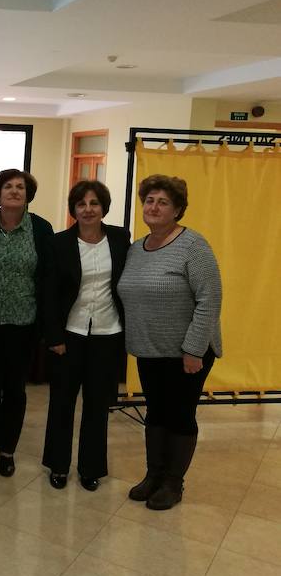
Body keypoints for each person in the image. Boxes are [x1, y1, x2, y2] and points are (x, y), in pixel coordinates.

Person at [118, 174, 222, 510]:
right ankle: (154, 475)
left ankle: (173, 483)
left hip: (187, 353)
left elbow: (210, 299)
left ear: (177, 209)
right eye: (149, 200)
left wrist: (193, 349)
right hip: (149, 350)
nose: (153, 207)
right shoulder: (137, 249)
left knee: (179, 415)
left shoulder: (193, 246)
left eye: (163, 202)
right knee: (156, 413)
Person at [0, 169, 55, 477]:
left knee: (14, 389)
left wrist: (45, 326)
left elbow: (47, 278)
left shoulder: (40, 229)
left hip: (23, 323)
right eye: (8, 186)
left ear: (28, 195)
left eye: (20, 187)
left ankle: (7, 450)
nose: (14, 191)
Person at [42, 181, 130, 491]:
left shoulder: (120, 238)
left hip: (108, 332)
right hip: (70, 333)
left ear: (103, 207)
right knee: (61, 403)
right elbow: (48, 293)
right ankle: (58, 465)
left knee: (97, 405)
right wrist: (54, 336)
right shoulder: (58, 243)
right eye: (81, 204)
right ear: (74, 209)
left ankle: (91, 467)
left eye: (94, 203)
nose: (88, 209)